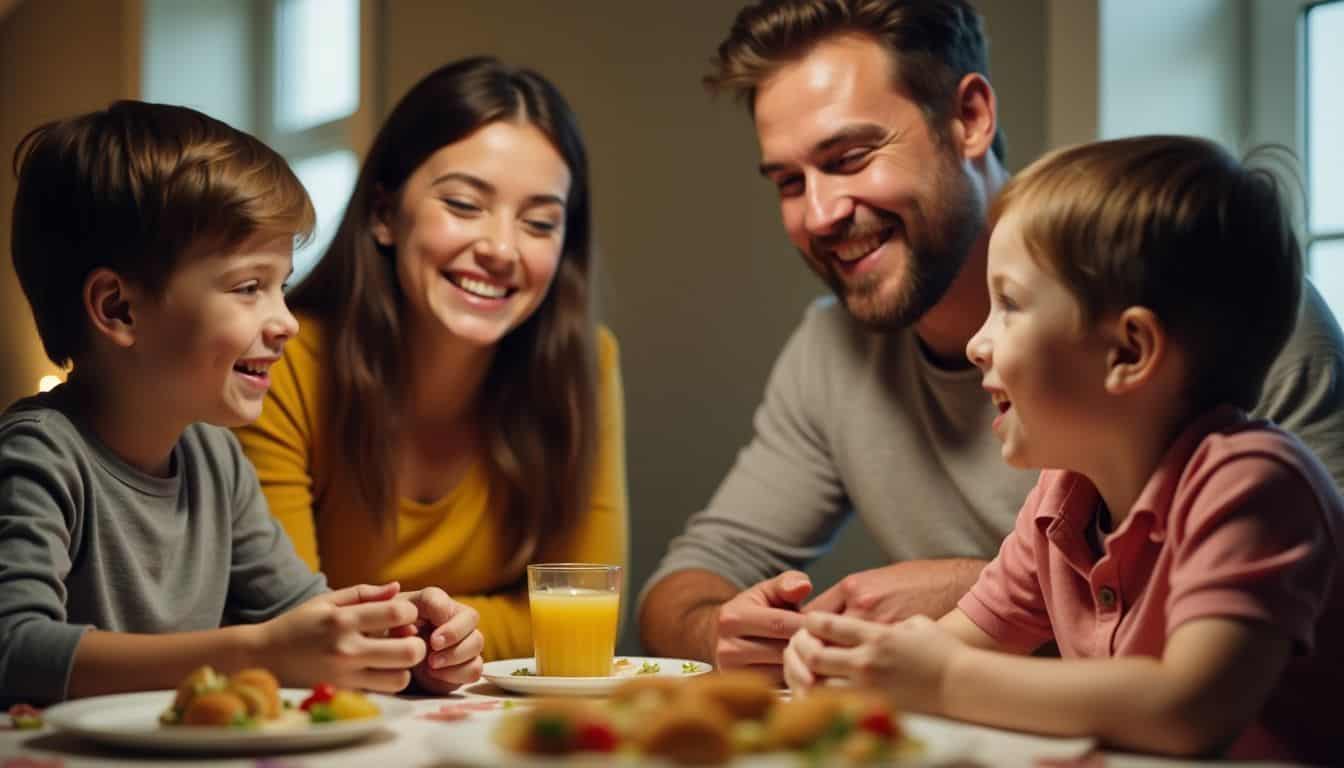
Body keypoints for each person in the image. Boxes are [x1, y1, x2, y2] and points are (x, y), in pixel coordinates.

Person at [639, 0, 1344, 680]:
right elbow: (686, 582)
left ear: (970, 118)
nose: (819, 213)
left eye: (851, 156)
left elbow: (1305, 591)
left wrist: (981, 595)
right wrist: (730, 634)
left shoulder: (1212, 311)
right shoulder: (832, 353)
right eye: (789, 181)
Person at [783, 135, 1344, 762]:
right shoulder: (1064, 497)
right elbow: (957, 642)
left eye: (1010, 305)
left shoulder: (1254, 485)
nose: (977, 344)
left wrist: (941, 681)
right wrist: (849, 660)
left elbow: (1189, 708)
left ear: (1129, 352)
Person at [0, 100, 477, 706]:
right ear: (119, 309)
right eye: (250, 288)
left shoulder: (215, 459)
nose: (286, 324)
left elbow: (299, 619)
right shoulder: (40, 453)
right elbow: (15, 651)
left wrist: (405, 640)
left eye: (281, 285)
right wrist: (253, 651)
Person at [235, 57, 628, 664]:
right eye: (465, 205)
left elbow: (588, 612)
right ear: (384, 214)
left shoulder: (586, 363)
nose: (500, 249)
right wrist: (454, 635)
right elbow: (293, 623)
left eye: (540, 222)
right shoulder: (281, 362)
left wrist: (457, 633)